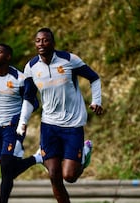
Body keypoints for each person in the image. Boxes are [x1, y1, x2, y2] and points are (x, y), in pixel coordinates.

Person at [16, 27, 103, 203]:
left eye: (45, 40)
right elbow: (28, 97)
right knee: (54, 175)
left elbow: (94, 77)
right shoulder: (31, 67)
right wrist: (22, 122)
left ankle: (84, 153)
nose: (41, 43)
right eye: (38, 40)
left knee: (69, 176)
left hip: (73, 124)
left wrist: (97, 101)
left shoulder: (69, 60)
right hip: (49, 125)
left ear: (53, 43)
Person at [0, 43, 43, 203]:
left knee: (7, 165)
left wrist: (18, 118)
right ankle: (37, 158)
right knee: (7, 170)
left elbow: (34, 103)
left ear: (8, 57)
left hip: (14, 128)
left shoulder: (19, 79)